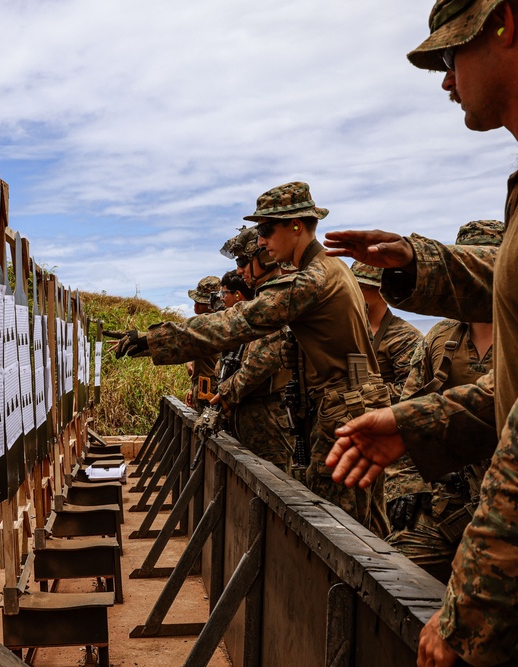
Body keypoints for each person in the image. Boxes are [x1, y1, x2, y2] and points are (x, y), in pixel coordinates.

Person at [323, 1, 518, 663]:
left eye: (450, 55)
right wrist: (416, 423)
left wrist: (467, 609)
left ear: (503, 21)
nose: (446, 80)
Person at [114, 181, 390, 537]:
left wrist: (154, 340)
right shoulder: (330, 270)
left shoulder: (312, 279)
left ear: (296, 225)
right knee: (362, 522)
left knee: (342, 530)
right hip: (348, 402)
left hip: (344, 407)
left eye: (265, 229)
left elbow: (238, 322)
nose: (260, 241)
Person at [383, 220, 502, 584]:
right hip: (448, 502)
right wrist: (405, 488)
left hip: (511, 505)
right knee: (391, 578)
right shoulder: (441, 337)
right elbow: (407, 417)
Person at [211, 227, 295, 470]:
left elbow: (259, 364)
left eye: (243, 261)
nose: (239, 270)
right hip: (250, 418)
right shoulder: (260, 300)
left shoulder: (278, 299)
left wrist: (225, 395)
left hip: (269, 422)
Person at [350, 261, 423, 405]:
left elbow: (413, 390)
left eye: (362, 287)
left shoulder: (404, 337)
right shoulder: (346, 328)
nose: (353, 292)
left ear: (381, 292)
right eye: (352, 286)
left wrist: (362, 395)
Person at [185, 276, 221, 410]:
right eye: (195, 301)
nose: (196, 305)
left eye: (201, 302)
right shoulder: (200, 324)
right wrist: (192, 388)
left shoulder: (217, 325)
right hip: (200, 389)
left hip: (213, 392)